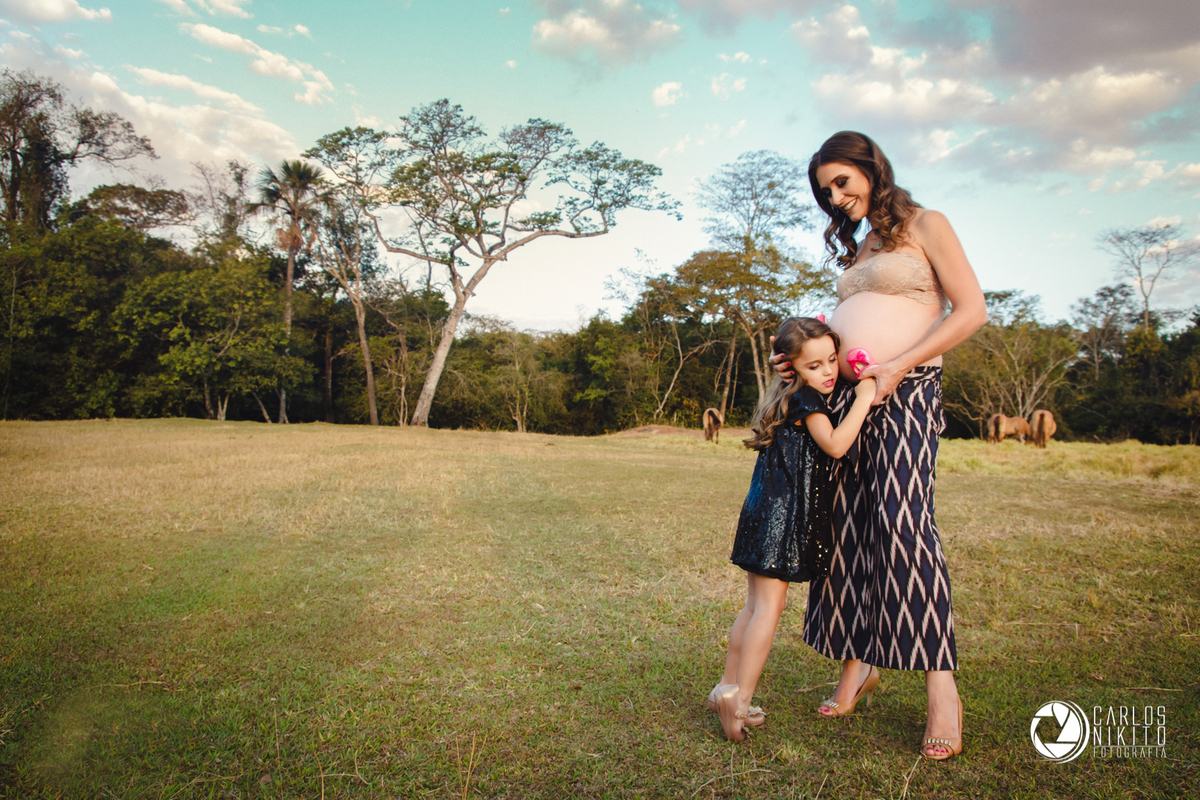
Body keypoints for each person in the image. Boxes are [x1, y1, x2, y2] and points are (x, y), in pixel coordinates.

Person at [771, 131, 986, 760]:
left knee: (902, 525)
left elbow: (970, 310)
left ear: (871, 169)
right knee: (848, 530)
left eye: (843, 182)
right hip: (844, 400)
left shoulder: (927, 223)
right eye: (825, 192)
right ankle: (858, 663)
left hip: (906, 390)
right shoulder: (862, 243)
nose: (835, 198)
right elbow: (848, 323)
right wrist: (807, 362)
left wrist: (896, 368)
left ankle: (942, 691)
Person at [709, 316, 877, 742]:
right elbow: (837, 445)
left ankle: (724, 689)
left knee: (752, 608)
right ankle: (740, 701)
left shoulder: (785, 397)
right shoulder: (808, 403)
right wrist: (866, 395)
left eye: (832, 362)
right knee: (767, 610)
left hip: (761, 513)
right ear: (793, 369)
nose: (826, 373)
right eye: (814, 366)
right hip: (781, 521)